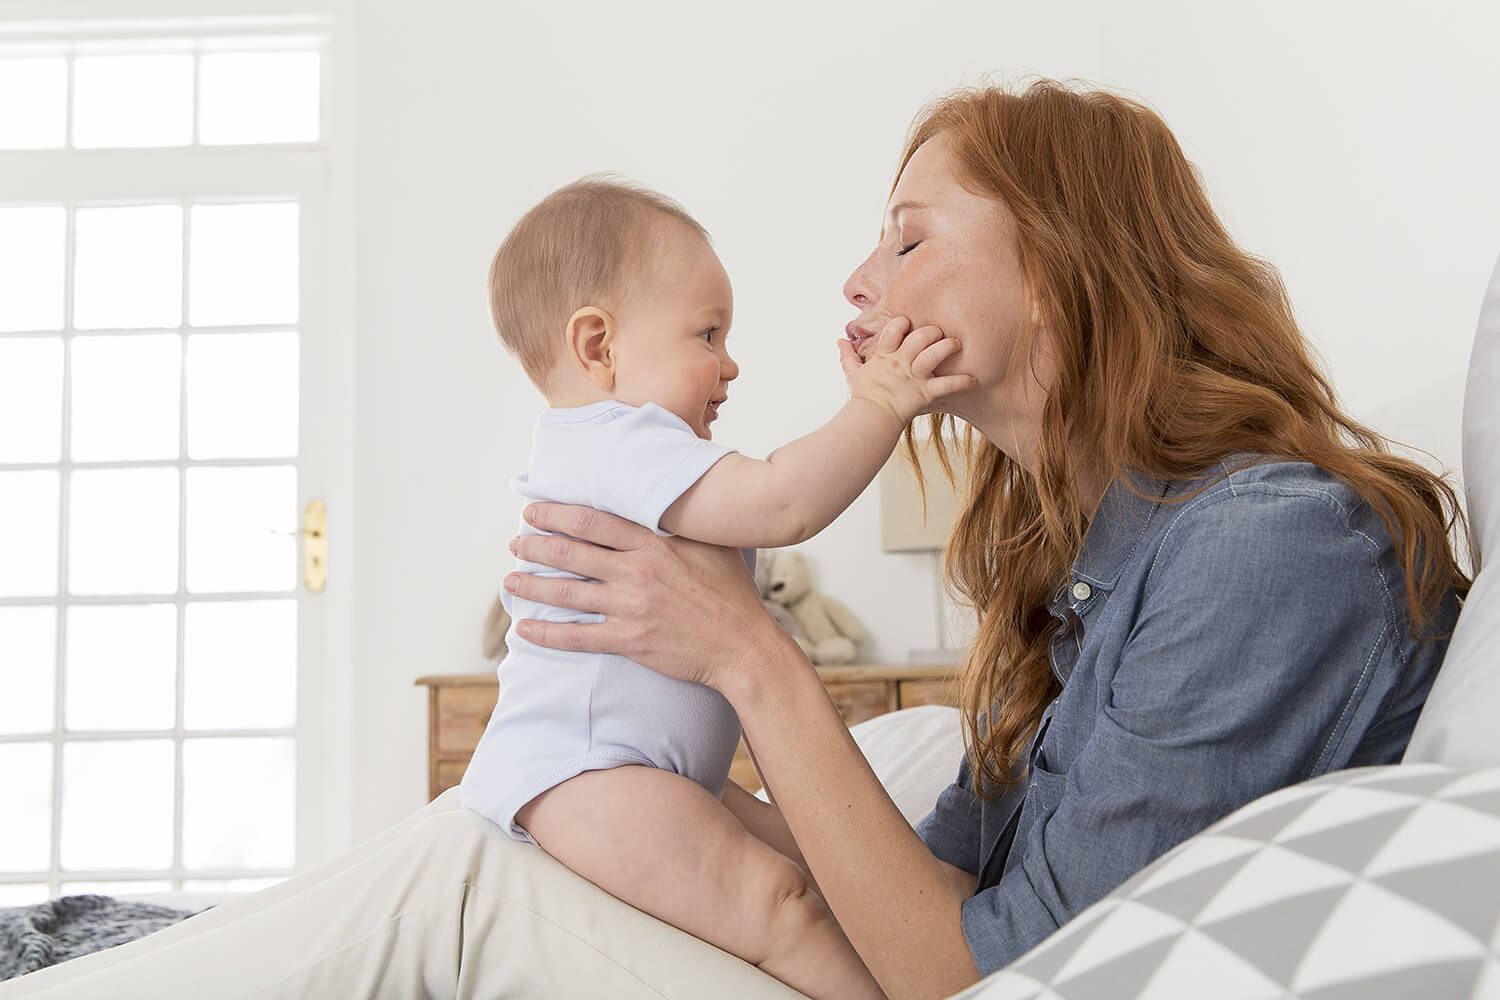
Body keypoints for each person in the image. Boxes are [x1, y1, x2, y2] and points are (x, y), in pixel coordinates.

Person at [3, 78, 1469, 1000]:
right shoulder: (1115, 547)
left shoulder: (1269, 550)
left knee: (472, 874)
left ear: (1070, 256)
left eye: (908, 232)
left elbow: (992, 969)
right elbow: (959, 869)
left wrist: (751, 658)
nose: (854, 274)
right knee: (503, 849)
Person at [460, 175, 970, 1000]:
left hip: (649, 773)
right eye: (708, 334)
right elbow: (782, 501)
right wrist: (880, 402)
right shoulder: (617, 438)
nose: (729, 366)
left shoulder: (612, 446)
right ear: (599, 347)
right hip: (586, 775)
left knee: (828, 857)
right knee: (781, 899)